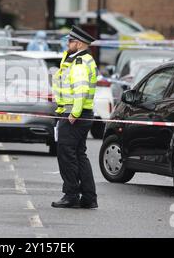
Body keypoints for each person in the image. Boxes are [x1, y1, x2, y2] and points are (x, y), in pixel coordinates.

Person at [51, 25, 98, 209]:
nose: (67, 44)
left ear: (78, 44)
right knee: (79, 155)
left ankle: (71, 195)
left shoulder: (79, 63)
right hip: (79, 113)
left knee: (66, 155)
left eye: (69, 41)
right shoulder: (81, 59)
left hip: (74, 114)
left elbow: (80, 90)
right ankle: (88, 197)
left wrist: (74, 113)